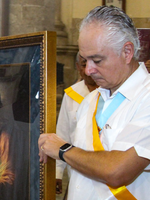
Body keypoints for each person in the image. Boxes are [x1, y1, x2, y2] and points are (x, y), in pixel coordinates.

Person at [38, 6, 150, 200]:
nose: (88, 70)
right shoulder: (91, 99)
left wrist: (62, 149)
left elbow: (118, 171)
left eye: (97, 60)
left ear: (127, 52)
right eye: (85, 60)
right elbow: (79, 179)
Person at [55, 52, 97, 196]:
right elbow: (63, 134)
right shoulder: (72, 94)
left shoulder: (110, 92)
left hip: (102, 171)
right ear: (78, 67)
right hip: (76, 172)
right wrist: (58, 172)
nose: (88, 70)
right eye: (84, 65)